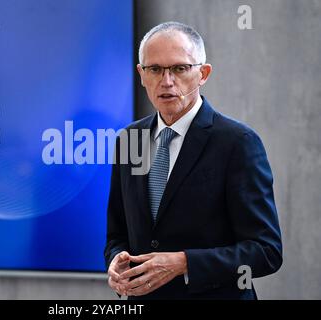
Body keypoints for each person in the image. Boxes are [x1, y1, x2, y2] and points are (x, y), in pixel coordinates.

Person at [104, 21, 283, 299]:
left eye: (179, 68)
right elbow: (118, 234)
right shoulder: (129, 139)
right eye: (155, 69)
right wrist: (116, 260)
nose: (167, 81)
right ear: (141, 75)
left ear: (203, 73)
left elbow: (266, 251)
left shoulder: (238, 143)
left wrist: (184, 263)